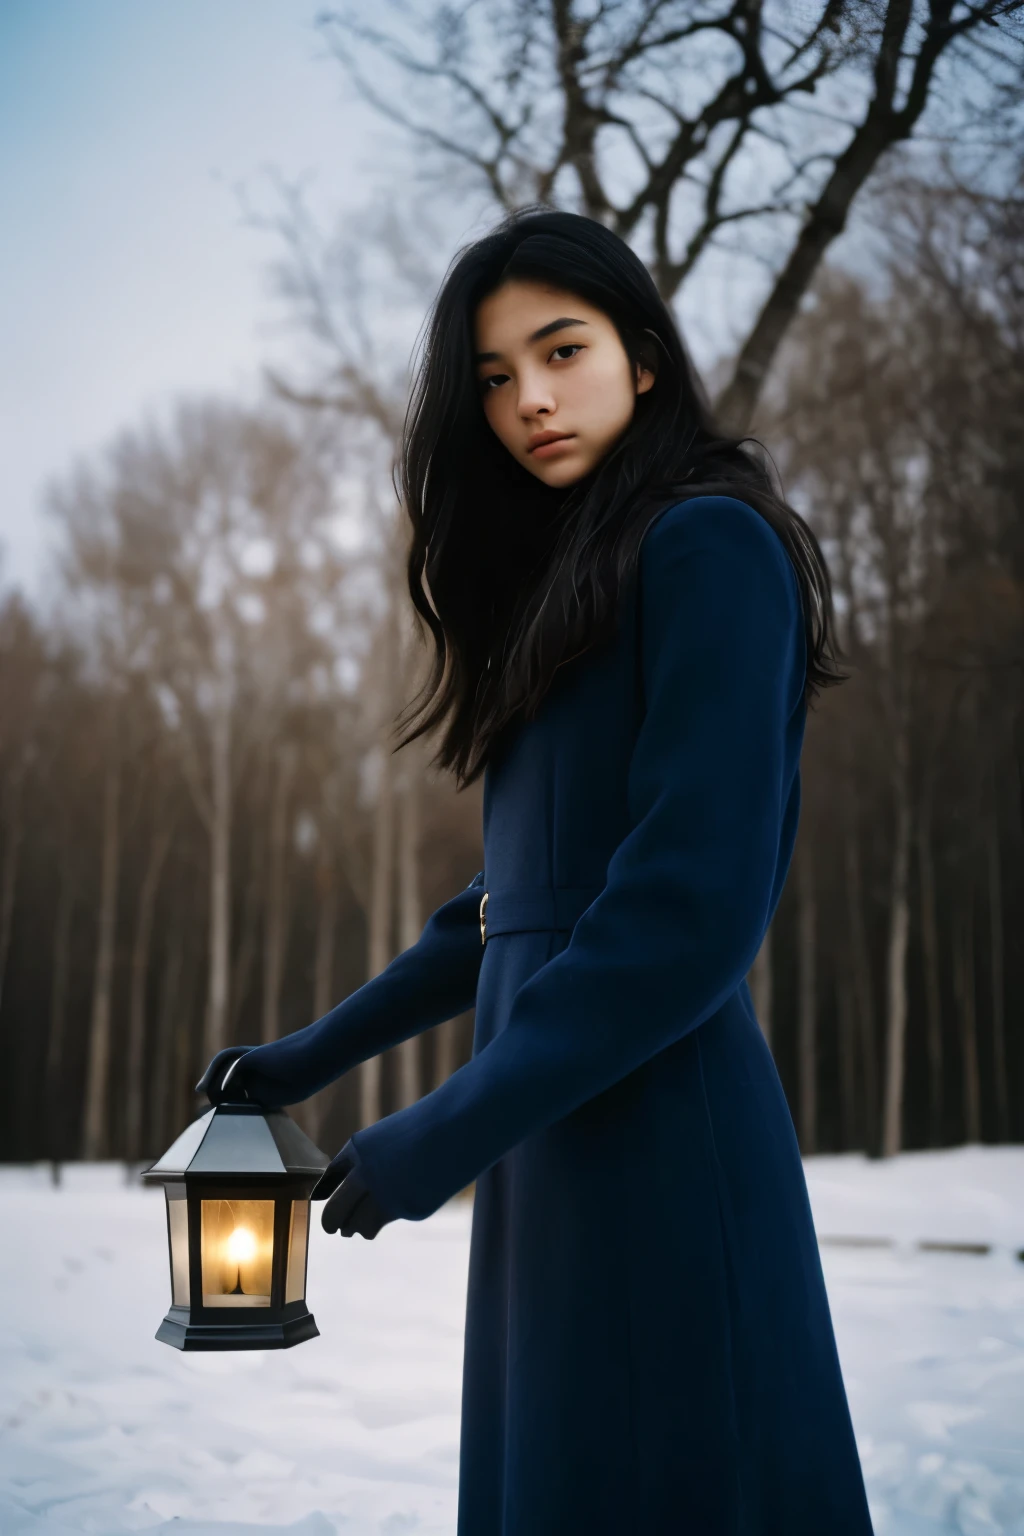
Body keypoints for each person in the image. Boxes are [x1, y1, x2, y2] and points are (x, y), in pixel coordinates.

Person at [197, 208, 875, 1535]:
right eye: (497, 378)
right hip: (548, 1141)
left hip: (663, 1135)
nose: (528, 402)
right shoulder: (578, 580)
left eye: (560, 352)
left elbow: (684, 913)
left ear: (648, 357)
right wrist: (306, 1060)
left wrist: (445, 1130)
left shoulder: (712, 547)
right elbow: (507, 913)